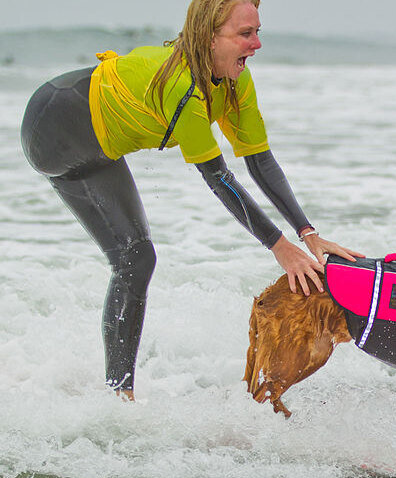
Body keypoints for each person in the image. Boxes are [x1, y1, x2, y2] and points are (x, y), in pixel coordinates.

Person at [19, 0, 361, 401]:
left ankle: (117, 396)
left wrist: (307, 233)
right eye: (244, 34)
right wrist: (279, 246)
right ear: (208, 37)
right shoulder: (182, 89)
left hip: (97, 137)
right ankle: (119, 396)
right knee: (135, 258)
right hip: (56, 126)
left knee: (136, 258)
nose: (257, 44)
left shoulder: (235, 81)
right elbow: (218, 177)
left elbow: (260, 161)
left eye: (257, 32)